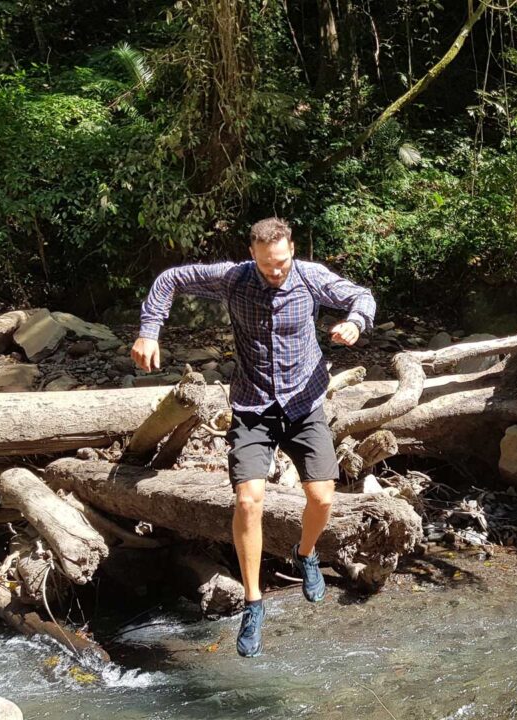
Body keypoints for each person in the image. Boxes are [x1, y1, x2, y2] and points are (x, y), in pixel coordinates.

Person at [131, 217, 375, 658]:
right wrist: (150, 329)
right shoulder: (234, 278)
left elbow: (361, 295)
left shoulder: (311, 278)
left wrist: (356, 322)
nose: (274, 272)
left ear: (292, 250)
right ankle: (253, 602)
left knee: (321, 498)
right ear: (253, 256)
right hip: (252, 406)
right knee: (248, 500)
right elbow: (171, 278)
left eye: (280, 263)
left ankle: (306, 555)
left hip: (304, 403)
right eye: (266, 265)